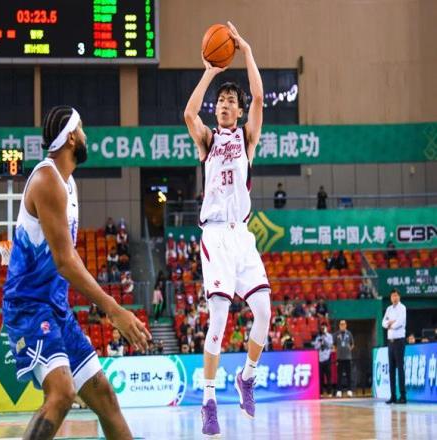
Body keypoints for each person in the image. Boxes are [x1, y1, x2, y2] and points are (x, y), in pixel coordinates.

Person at [2, 106, 150, 440]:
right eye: (81, 128)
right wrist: (113, 308)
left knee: (105, 397)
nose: (85, 135)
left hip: (55, 306)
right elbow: (64, 262)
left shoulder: (68, 184)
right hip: (28, 306)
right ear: (71, 137)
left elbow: (68, 257)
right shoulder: (47, 180)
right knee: (62, 393)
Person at [184, 21, 270, 437]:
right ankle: (209, 401)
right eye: (220, 101)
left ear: (238, 111)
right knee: (218, 318)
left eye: (230, 101)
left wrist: (247, 51)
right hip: (216, 235)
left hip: (243, 236)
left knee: (264, 312)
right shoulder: (207, 140)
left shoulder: (248, 138)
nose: (224, 105)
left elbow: (260, 97)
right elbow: (189, 113)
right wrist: (210, 72)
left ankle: (246, 377)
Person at [382, 289, 407, 404]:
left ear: (399, 297)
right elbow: (383, 323)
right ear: (390, 297)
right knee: (391, 369)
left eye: (396, 295)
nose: (394, 298)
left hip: (399, 341)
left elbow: (400, 323)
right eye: (392, 296)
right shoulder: (388, 309)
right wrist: (389, 323)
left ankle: (403, 396)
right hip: (390, 342)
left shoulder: (402, 308)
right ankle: (393, 396)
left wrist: (391, 324)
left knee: (400, 368)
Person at [333, 320, 355, 397]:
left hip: (348, 357)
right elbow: (334, 344)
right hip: (339, 357)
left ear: (346, 325)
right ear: (339, 325)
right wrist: (336, 350)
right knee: (339, 375)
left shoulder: (349, 333)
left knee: (349, 374)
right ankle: (339, 390)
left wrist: (349, 349)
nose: (342, 325)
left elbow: (352, 344)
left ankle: (349, 390)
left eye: (344, 324)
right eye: (341, 324)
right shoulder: (336, 334)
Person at [313, 324, 333, 396]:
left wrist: (324, 339)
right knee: (320, 377)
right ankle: (321, 392)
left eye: (324, 328)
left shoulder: (329, 336)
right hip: (320, 359)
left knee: (328, 376)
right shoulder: (318, 337)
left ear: (326, 328)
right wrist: (319, 341)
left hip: (327, 358)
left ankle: (329, 392)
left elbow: (330, 345)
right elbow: (316, 347)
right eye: (322, 328)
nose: (323, 329)